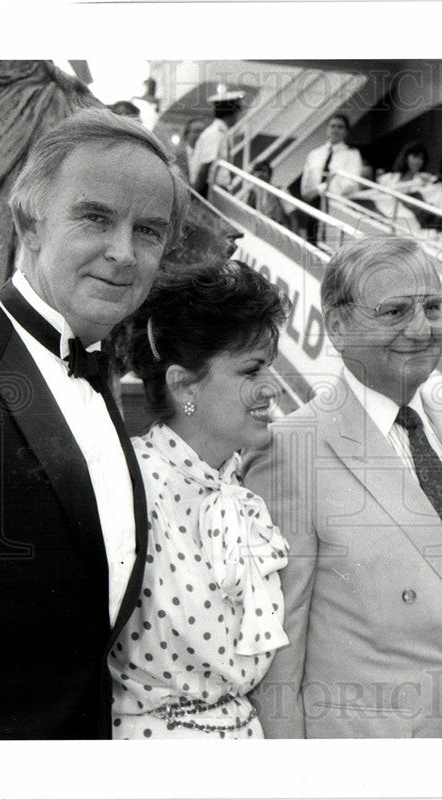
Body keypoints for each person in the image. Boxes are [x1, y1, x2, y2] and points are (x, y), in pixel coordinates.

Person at [0, 108, 185, 738]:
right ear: (28, 223)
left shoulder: (97, 371)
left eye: (149, 231)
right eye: (95, 218)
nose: (123, 253)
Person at [244, 235, 442, 738]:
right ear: (339, 327)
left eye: (432, 307)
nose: (421, 328)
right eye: (394, 312)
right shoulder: (289, 451)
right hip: (372, 769)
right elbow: (277, 655)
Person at [110, 262, 291, 739]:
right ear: (184, 384)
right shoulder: (124, 483)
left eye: (269, 366)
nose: (272, 387)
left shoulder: (240, 497)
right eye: (252, 368)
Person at [189, 84, 244, 197]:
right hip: (208, 190)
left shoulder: (221, 133)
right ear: (232, 113)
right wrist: (195, 196)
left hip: (216, 189)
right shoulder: (215, 134)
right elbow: (205, 167)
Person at [299, 113, 363, 202]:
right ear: (327, 129)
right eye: (332, 126)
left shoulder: (352, 155)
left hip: (336, 204)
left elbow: (351, 184)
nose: (335, 130)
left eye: (340, 127)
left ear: (346, 132)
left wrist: (327, 188)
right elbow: (305, 188)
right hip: (313, 202)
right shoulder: (314, 154)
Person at [235, 160, 289, 227]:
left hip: (277, 227)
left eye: (264, 172)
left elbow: (292, 215)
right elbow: (244, 212)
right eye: (258, 173)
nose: (261, 175)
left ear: (269, 174)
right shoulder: (251, 193)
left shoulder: (279, 191)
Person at [175, 117, 209, 183]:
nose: (201, 135)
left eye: (203, 131)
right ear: (186, 135)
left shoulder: (207, 155)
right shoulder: (178, 156)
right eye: (197, 131)